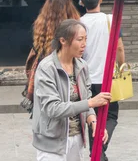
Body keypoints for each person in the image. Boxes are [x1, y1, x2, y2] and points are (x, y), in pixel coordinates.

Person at [32, 19, 111, 160]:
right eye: (79, 39)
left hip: (77, 139)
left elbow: (86, 100)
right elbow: (52, 109)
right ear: (63, 41)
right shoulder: (47, 68)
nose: (84, 44)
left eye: (86, 39)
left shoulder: (82, 66)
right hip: (52, 143)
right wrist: (90, 103)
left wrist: (94, 122)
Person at [80, 0, 125, 161]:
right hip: (108, 79)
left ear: (82, 2)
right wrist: (122, 68)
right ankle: (98, 151)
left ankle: (97, 151)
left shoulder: (79, 23)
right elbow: (119, 48)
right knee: (110, 116)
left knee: (92, 117)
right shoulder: (110, 19)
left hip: (87, 80)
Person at [22, 0, 81, 113]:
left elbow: (37, 48)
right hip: (68, 70)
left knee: (47, 108)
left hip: (45, 70)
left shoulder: (40, 23)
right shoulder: (75, 24)